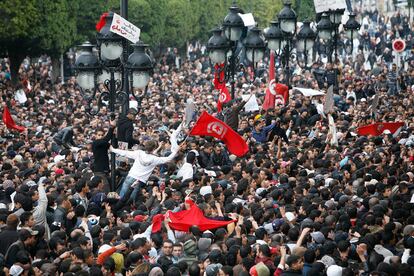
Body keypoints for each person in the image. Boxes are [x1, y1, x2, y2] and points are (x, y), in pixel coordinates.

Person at [110, 140, 184, 201]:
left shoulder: (139, 153)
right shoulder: (155, 159)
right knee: (131, 199)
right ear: (153, 148)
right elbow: (168, 159)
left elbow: (125, 153)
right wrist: (175, 151)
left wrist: (113, 149)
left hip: (130, 177)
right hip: (138, 181)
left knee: (121, 196)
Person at [92, 119, 116, 193]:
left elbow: (109, 142)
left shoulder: (103, 143)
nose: (101, 136)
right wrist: (111, 127)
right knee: (106, 190)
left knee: (111, 187)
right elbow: (106, 139)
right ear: (95, 136)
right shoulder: (96, 143)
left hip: (105, 170)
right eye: (99, 135)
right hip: (99, 171)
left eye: (102, 135)